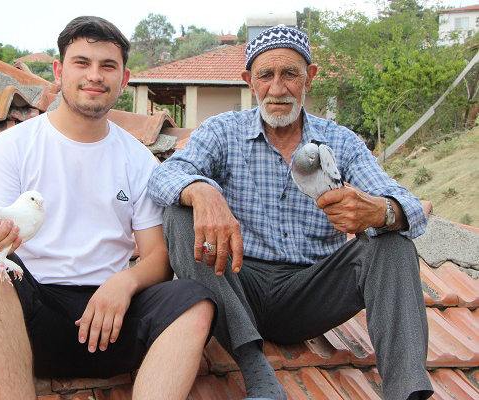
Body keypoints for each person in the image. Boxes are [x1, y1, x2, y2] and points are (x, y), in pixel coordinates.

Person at [148, 24, 433, 400]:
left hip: (312, 293)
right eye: (266, 75)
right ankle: (255, 369)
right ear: (250, 81)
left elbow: (408, 204)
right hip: (235, 283)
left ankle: (407, 392)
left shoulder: (341, 142)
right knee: (179, 215)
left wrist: (380, 211)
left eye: (290, 74)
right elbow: (164, 176)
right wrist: (201, 191)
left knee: (393, 244)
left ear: (309, 78)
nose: (278, 88)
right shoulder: (222, 132)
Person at [0, 16, 216, 400]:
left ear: (124, 79)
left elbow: (157, 256)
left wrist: (123, 283)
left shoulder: (137, 158)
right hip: (33, 323)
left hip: (113, 322)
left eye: (107, 66)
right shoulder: (14, 146)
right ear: (59, 71)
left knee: (196, 301)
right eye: (82, 63)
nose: (94, 76)